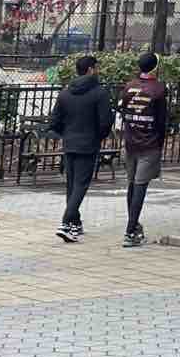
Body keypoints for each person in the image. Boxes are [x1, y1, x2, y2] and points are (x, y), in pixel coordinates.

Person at [47, 54, 114, 243]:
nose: (98, 71)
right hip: (88, 143)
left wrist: (66, 133)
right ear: (91, 70)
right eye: (97, 68)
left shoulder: (66, 92)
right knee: (80, 185)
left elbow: (54, 121)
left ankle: (74, 223)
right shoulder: (99, 93)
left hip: (70, 143)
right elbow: (105, 122)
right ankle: (67, 221)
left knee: (72, 184)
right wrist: (97, 136)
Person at [117, 50, 169, 248]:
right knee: (140, 186)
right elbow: (161, 121)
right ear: (155, 67)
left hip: (131, 142)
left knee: (132, 184)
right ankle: (131, 230)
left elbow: (122, 109)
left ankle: (133, 225)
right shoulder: (159, 89)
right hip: (149, 144)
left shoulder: (129, 87)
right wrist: (159, 143)